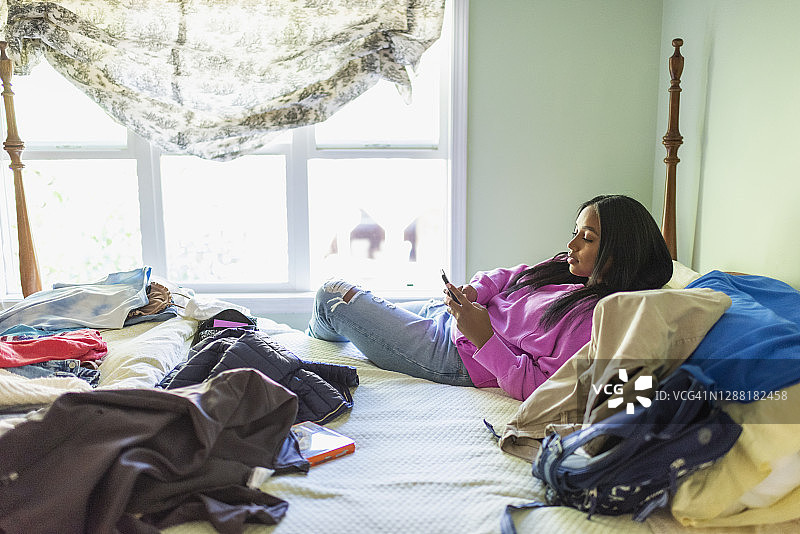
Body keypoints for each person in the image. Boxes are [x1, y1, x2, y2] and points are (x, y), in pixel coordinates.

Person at [306, 195, 673, 401]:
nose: (571, 244)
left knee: (332, 296)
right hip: (453, 319)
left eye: (587, 238)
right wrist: (475, 292)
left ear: (619, 250)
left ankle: (307, 354)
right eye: (575, 232)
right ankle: (309, 353)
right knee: (347, 304)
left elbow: (538, 387)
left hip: (456, 355)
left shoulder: (598, 320)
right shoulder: (569, 269)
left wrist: (483, 336)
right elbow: (512, 276)